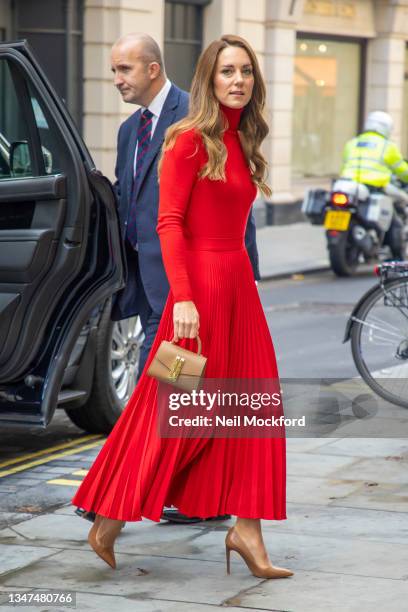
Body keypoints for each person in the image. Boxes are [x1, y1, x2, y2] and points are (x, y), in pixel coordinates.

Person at [71, 33, 293, 580]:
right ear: (208, 80)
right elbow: (168, 222)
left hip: (238, 295)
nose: (237, 80)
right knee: (164, 407)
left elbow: (239, 229)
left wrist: (251, 283)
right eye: (226, 72)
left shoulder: (241, 141)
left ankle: (248, 529)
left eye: (244, 71)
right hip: (194, 301)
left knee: (253, 411)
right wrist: (185, 299)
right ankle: (109, 515)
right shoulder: (188, 138)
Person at [341, 111, 408, 258]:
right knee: (394, 220)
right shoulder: (387, 146)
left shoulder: (352, 143)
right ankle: (397, 257)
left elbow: (346, 163)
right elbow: (401, 169)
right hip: (375, 187)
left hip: (348, 185)